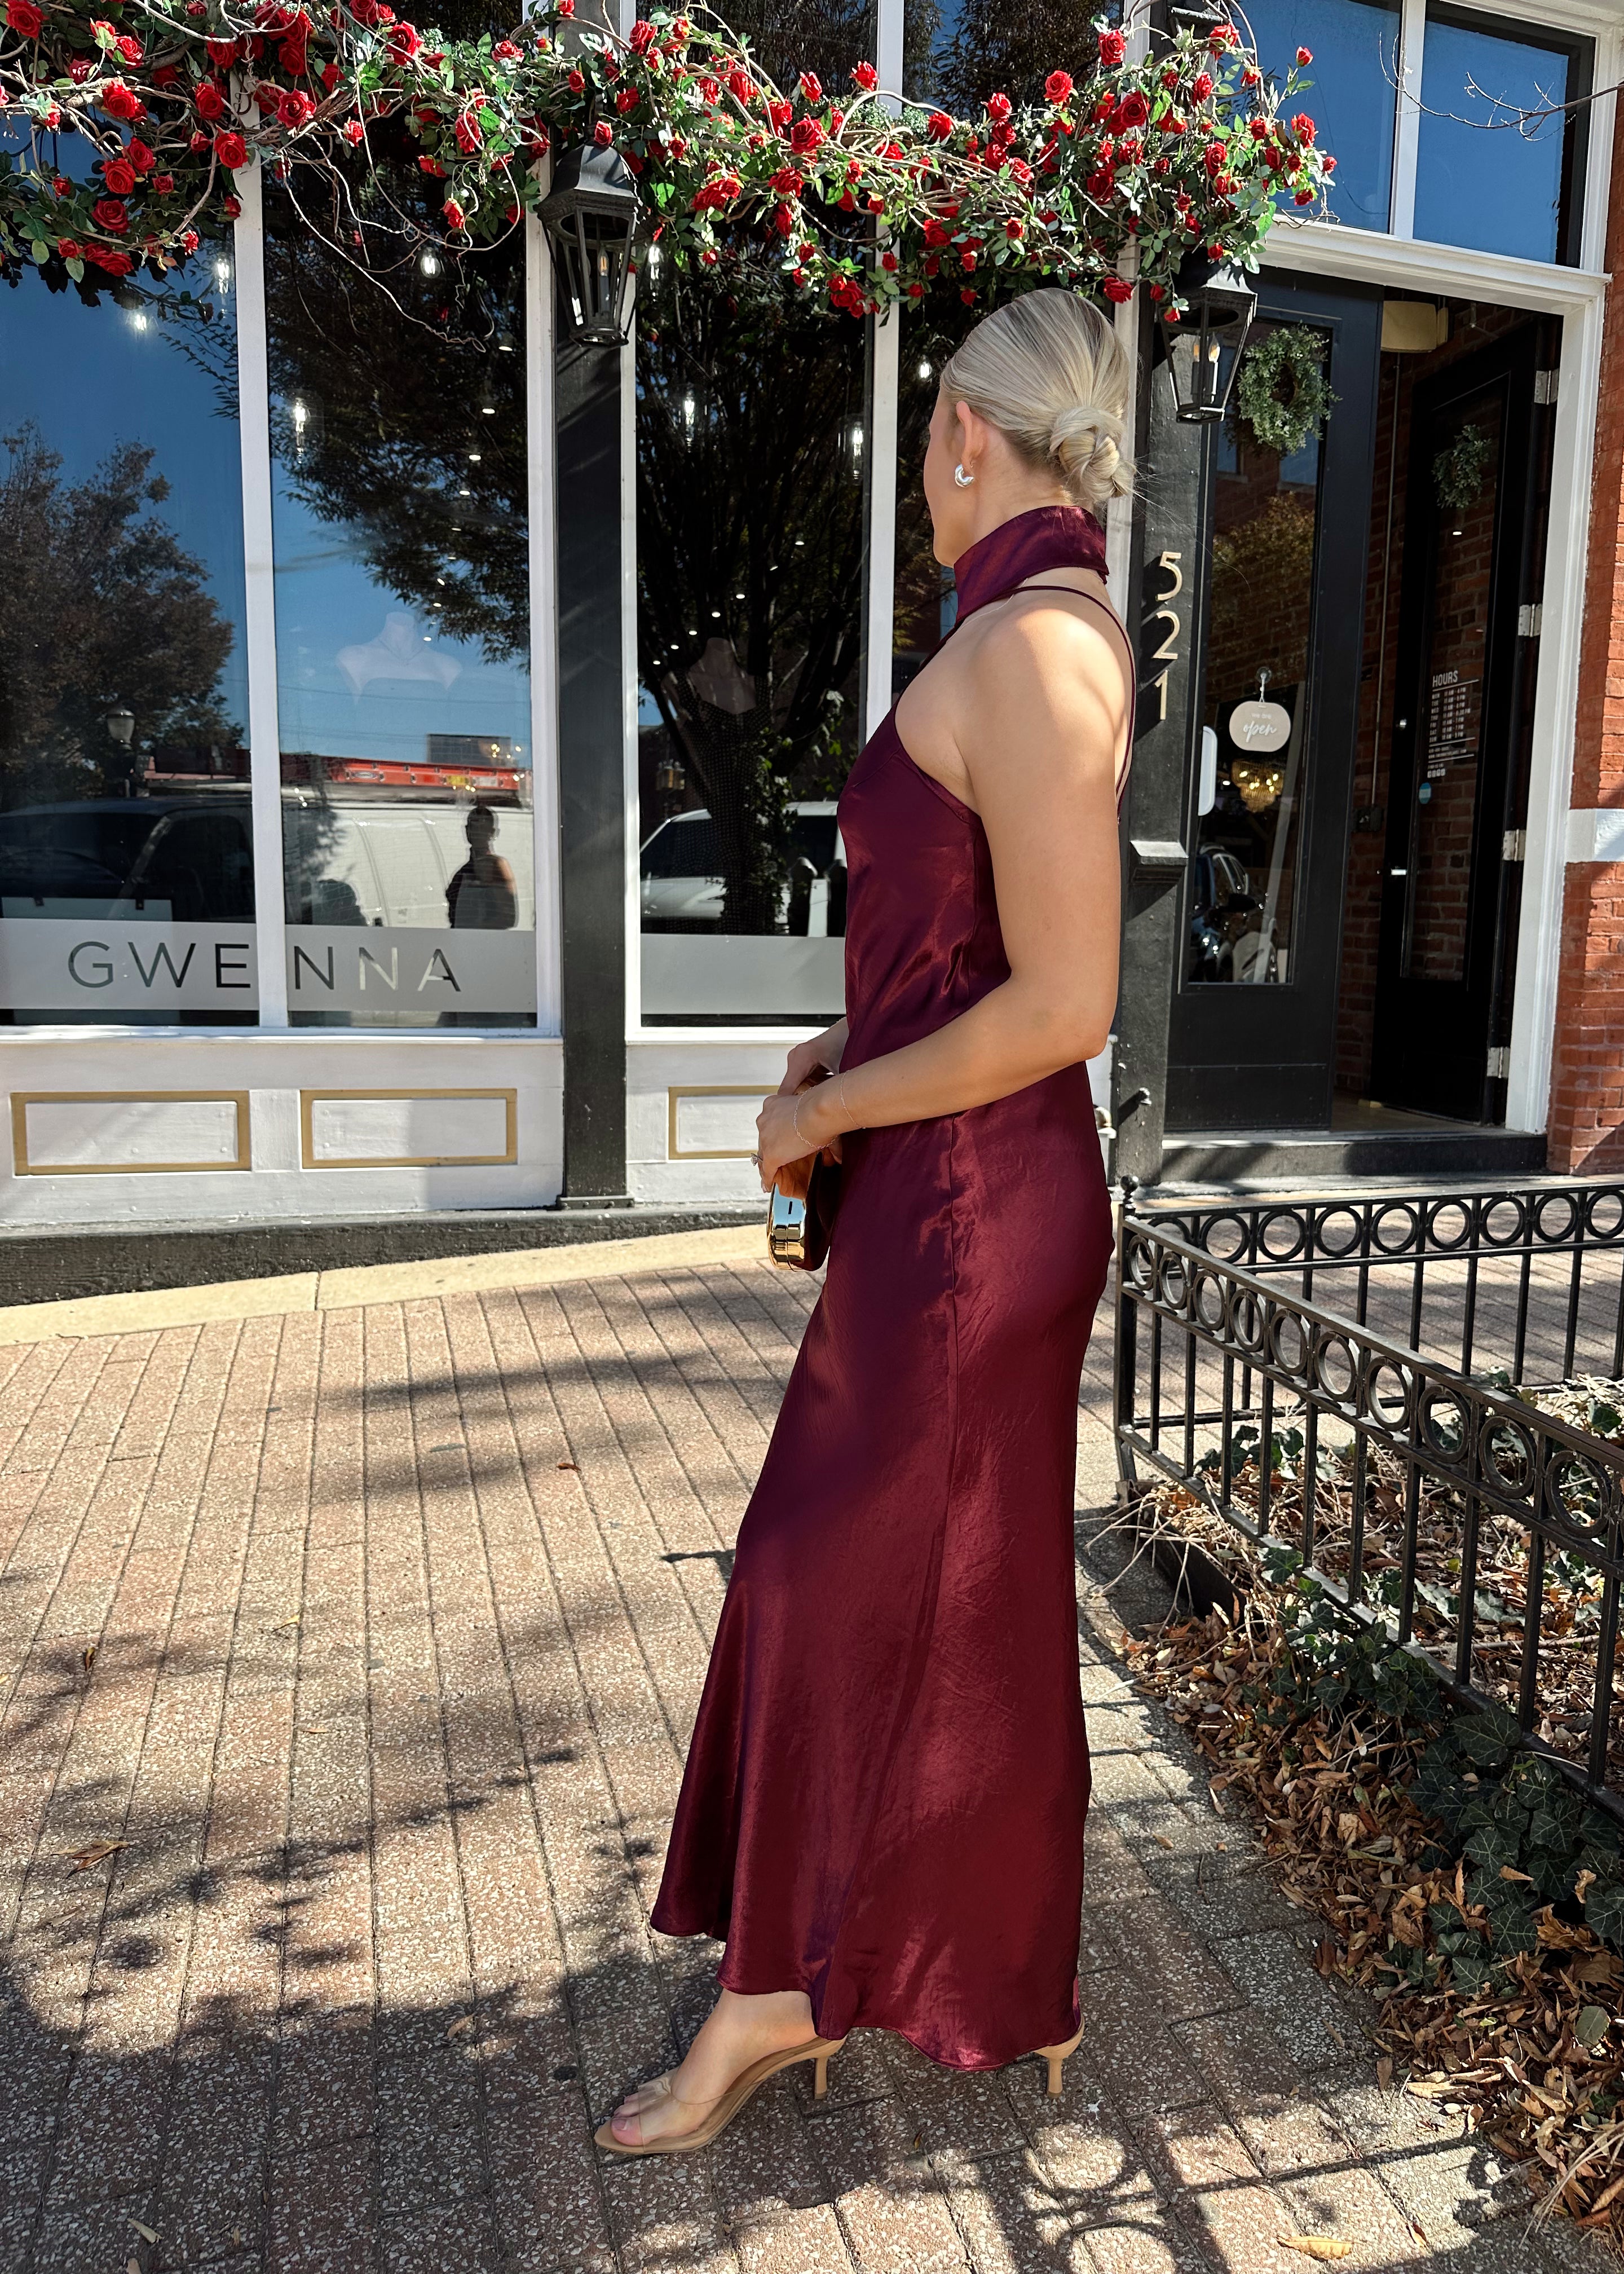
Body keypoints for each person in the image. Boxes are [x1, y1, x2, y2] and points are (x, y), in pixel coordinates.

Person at [597, 289, 1137, 2156]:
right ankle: (986, 1977)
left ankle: (782, 1996)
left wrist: (826, 1105)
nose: (917, 471)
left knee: (818, 1573)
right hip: (950, 1183)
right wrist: (853, 1032)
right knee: (951, 1597)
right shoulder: (1009, 637)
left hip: (979, 1210)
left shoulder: (1039, 654)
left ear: (967, 438)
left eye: (923, 437)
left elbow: (1066, 1004)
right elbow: (970, 951)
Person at [445, 800, 518, 930]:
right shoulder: (462, 873)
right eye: (473, 827)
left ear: (493, 832)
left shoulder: (497, 866)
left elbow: (508, 918)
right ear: (467, 831)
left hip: (485, 943)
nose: (477, 833)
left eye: (482, 828)